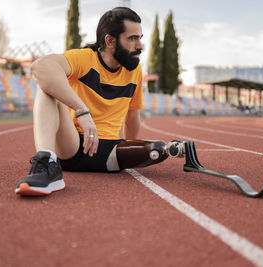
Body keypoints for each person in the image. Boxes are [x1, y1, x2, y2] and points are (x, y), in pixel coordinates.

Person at [15, 7, 173, 196]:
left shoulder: (135, 72)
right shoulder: (85, 58)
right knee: (46, 85)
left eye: (140, 37)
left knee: (159, 149)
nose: (140, 45)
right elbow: (40, 66)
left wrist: (133, 150)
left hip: (110, 153)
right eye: (132, 38)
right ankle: (47, 165)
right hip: (71, 147)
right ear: (110, 40)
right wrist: (82, 110)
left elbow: (132, 118)